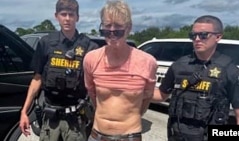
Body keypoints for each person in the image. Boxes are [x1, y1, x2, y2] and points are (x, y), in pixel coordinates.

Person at [152, 15, 239, 141]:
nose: (197, 39)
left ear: (218, 37)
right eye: (193, 35)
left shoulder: (230, 71)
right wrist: (135, 89)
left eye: (203, 35)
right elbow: (161, 95)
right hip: (177, 136)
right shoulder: (179, 65)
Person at [19, 0, 99, 140]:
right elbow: (37, 79)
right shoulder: (46, 43)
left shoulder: (89, 47)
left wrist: (100, 115)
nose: (67, 18)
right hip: (51, 119)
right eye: (63, 14)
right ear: (56, 16)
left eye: (71, 14)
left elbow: (95, 86)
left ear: (77, 17)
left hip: (76, 119)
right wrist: (24, 112)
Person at [83, 0, 158, 141]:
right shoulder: (91, 59)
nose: (112, 31)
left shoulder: (147, 62)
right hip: (97, 135)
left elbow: (146, 99)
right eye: (107, 25)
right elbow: (92, 95)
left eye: (117, 26)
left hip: (130, 135)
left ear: (128, 28)